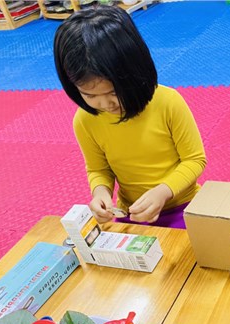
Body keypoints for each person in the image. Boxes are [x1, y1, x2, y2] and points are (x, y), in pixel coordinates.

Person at [53, 6, 206, 229]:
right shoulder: (85, 120)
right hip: (131, 213)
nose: (105, 104)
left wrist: (163, 192)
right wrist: (101, 193)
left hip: (184, 206)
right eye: (89, 95)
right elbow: (98, 169)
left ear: (135, 74)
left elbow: (195, 160)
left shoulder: (168, 102)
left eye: (114, 92)